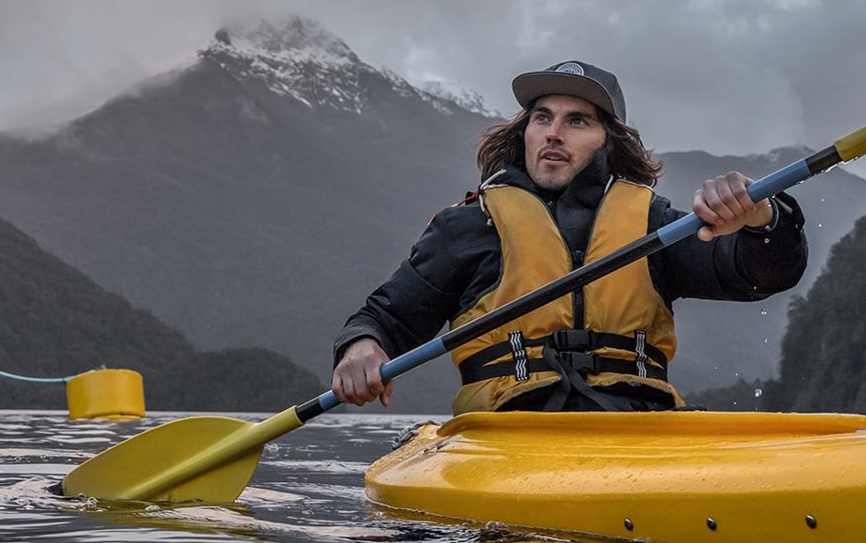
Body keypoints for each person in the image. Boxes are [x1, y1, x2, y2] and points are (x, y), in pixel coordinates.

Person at [331, 61, 809, 414]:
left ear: (610, 139)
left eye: (577, 120)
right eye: (542, 117)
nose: (553, 133)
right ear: (525, 132)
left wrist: (762, 218)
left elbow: (760, 273)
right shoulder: (469, 225)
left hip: (640, 425)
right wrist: (362, 348)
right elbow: (385, 318)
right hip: (508, 429)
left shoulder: (652, 224)